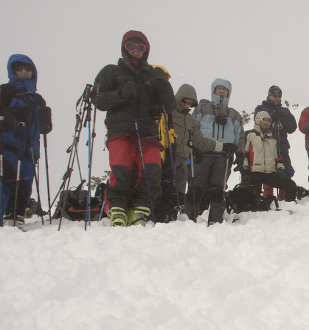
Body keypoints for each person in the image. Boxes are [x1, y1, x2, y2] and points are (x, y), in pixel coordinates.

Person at [92, 31, 175, 227]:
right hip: (120, 130)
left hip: (147, 132)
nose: (136, 51)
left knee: (152, 172)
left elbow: (169, 105)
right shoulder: (111, 71)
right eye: (132, 46)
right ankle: (117, 209)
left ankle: (140, 209)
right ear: (124, 48)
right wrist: (121, 94)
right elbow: (98, 99)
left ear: (146, 50)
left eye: (141, 47)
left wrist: (162, 85)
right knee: (121, 171)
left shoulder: (152, 74)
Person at [1, 54, 52, 230]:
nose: (24, 72)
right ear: (13, 71)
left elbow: (44, 129)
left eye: (27, 69)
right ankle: (6, 213)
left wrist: (46, 119)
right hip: (8, 144)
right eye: (19, 69)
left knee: (25, 181)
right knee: (7, 180)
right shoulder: (5, 91)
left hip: (30, 147)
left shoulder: (37, 98)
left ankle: (18, 214)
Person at [164, 84, 223, 216]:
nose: (187, 106)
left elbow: (199, 141)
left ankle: (175, 212)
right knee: (167, 185)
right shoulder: (167, 113)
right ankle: (162, 212)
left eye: (190, 104)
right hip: (169, 156)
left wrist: (219, 146)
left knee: (180, 188)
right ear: (179, 98)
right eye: (185, 102)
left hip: (184, 158)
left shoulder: (191, 120)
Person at [191, 78, 242, 224]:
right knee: (197, 185)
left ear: (228, 92)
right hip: (203, 152)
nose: (221, 91)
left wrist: (239, 153)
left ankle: (215, 218)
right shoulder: (202, 109)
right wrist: (194, 147)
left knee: (218, 187)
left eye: (224, 89)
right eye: (218, 88)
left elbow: (240, 136)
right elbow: (193, 129)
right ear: (213, 90)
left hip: (224, 155)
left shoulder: (233, 114)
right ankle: (190, 217)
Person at [238, 111, 297, 203]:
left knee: (290, 185)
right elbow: (244, 154)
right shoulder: (249, 135)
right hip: (255, 171)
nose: (267, 123)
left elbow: (278, 157)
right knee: (254, 194)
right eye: (264, 120)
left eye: (269, 121)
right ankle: (254, 209)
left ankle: (289, 205)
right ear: (258, 120)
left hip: (269, 172)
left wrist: (280, 169)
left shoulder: (272, 139)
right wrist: (245, 171)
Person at [254, 85, 297, 200]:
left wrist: (283, 118)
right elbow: (257, 121)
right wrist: (271, 116)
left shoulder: (284, 110)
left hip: (282, 146)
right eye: (274, 96)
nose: (277, 98)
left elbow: (292, 128)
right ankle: (268, 198)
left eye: (279, 96)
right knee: (268, 171)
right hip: (265, 146)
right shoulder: (261, 108)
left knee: (286, 170)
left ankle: (285, 198)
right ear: (269, 96)